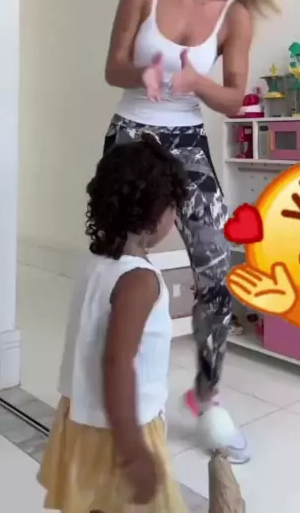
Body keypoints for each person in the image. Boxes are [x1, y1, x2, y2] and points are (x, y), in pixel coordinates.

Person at [103, 0, 278, 464]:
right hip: (133, 132)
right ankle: (112, 389)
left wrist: (195, 81)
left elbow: (233, 100)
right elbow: (112, 67)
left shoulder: (235, 15)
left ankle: (207, 393)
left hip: (187, 141)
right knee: (118, 259)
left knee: (216, 269)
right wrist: (146, 73)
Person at [38, 136, 189, 513]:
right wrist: (133, 450)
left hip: (80, 417)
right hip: (120, 429)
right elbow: (117, 361)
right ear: (156, 213)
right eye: (173, 207)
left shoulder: (95, 263)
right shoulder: (140, 280)